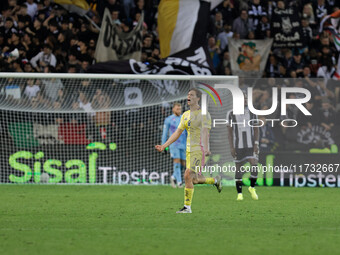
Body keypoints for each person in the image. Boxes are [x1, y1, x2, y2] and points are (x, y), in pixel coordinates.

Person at [155, 88, 222, 214]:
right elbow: (177, 132)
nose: (188, 96)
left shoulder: (204, 114)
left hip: (199, 149)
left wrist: (206, 148)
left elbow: (205, 132)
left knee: (187, 174)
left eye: (191, 95)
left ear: (197, 99)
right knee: (194, 180)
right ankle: (215, 180)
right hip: (188, 150)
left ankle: (187, 208)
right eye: (188, 94)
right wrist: (164, 145)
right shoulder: (185, 115)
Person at [227, 93, 259, 201]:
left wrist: (256, 144)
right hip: (238, 146)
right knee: (238, 168)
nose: (245, 100)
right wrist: (231, 147)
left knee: (254, 165)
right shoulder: (231, 113)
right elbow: (230, 133)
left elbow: (256, 129)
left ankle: (252, 187)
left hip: (250, 145)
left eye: (246, 99)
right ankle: (239, 194)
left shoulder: (252, 113)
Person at [161, 103, 187, 188]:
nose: (179, 110)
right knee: (177, 161)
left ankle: (173, 177)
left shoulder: (184, 118)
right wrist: (163, 145)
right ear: (173, 109)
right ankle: (179, 182)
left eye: (180, 109)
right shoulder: (168, 120)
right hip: (173, 144)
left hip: (183, 144)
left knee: (184, 164)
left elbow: (187, 132)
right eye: (177, 109)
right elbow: (165, 134)